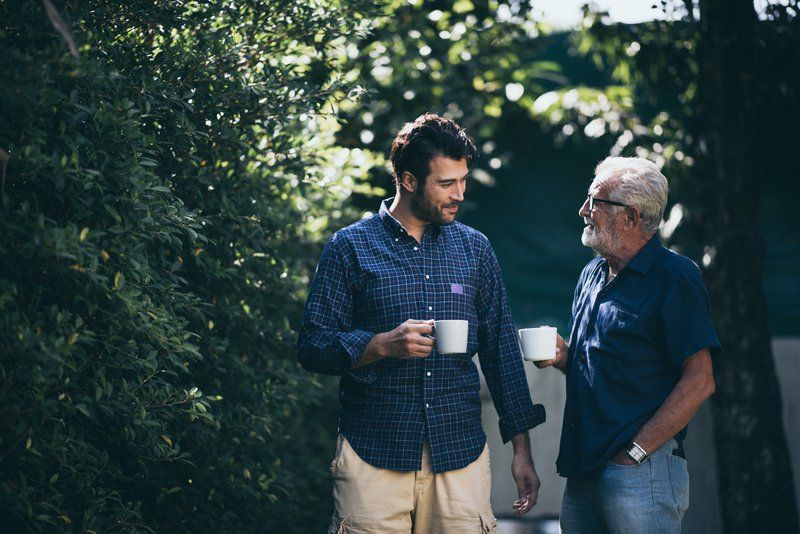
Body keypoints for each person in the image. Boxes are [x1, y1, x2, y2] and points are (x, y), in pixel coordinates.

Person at [297, 113, 545, 533]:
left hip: (459, 454)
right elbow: (312, 346)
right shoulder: (349, 248)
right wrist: (379, 345)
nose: (459, 194)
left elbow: (501, 350)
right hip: (373, 452)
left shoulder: (475, 249)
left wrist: (522, 449)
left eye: (463, 180)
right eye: (446, 184)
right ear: (408, 181)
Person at [537, 156, 721, 533]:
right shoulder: (591, 273)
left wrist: (634, 453)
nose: (583, 210)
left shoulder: (675, 277)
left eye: (595, 201)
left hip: (641, 470)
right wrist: (565, 357)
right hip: (583, 467)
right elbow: (608, 366)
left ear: (631, 217)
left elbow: (700, 381)